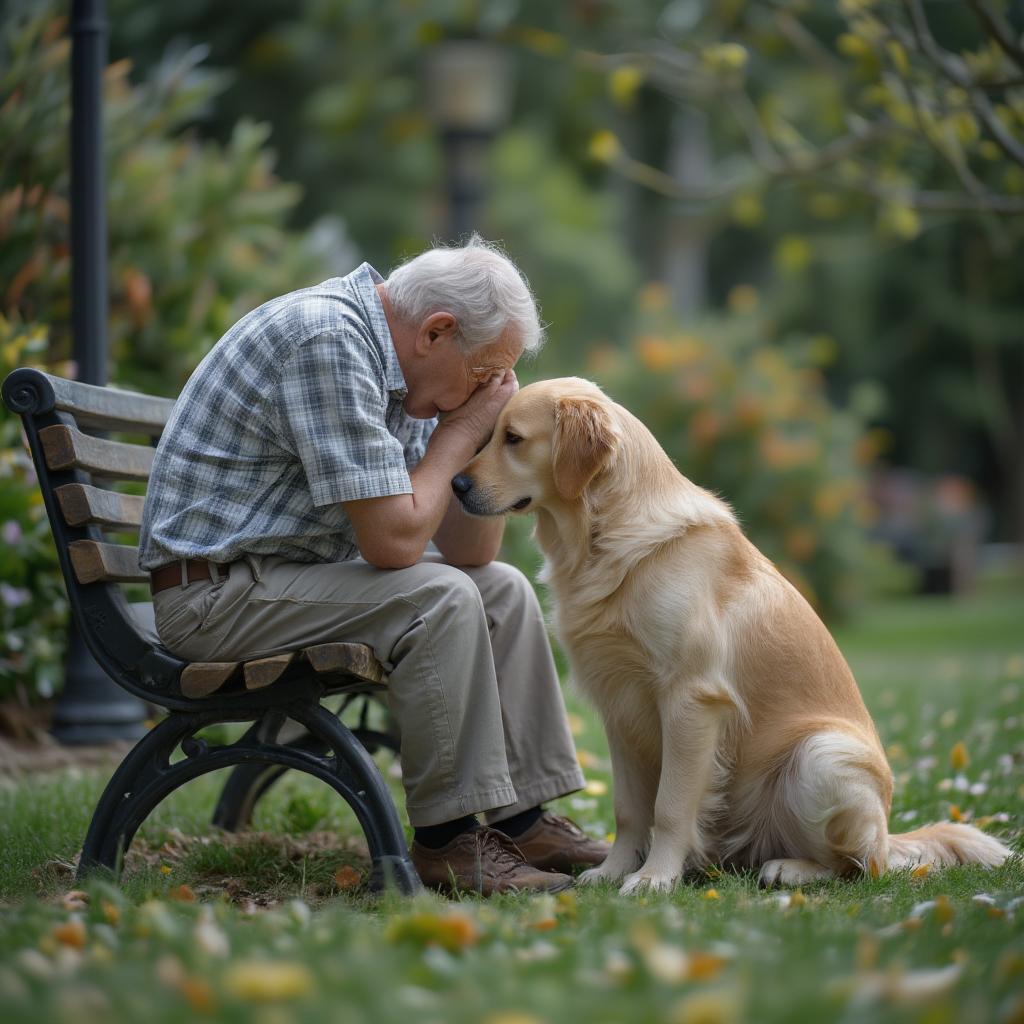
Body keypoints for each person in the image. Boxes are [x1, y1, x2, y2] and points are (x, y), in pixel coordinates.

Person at [139, 236, 608, 894]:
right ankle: (448, 844)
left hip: (278, 585)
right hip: (214, 599)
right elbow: (394, 544)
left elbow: (474, 552)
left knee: (498, 589)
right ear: (437, 332)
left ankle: (522, 820)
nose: (487, 394)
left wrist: (485, 443)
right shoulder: (326, 341)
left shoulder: (408, 375)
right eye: (485, 374)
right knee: (439, 598)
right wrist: (455, 435)